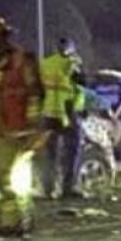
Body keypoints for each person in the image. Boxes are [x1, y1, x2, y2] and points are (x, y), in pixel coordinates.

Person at [0, 15, 44, 236]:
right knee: (4, 177)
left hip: (22, 130)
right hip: (1, 131)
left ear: (1, 39)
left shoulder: (22, 60)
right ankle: (10, 222)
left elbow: (35, 92)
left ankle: (23, 219)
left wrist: (34, 126)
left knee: (19, 178)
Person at [39, 37, 87, 199]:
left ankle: (48, 189)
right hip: (67, 111)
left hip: (48, 112)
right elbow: (81, 84)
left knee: (49, 153)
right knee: (72, 150)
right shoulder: (72, 62)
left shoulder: (45, 63)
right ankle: (68, 188)